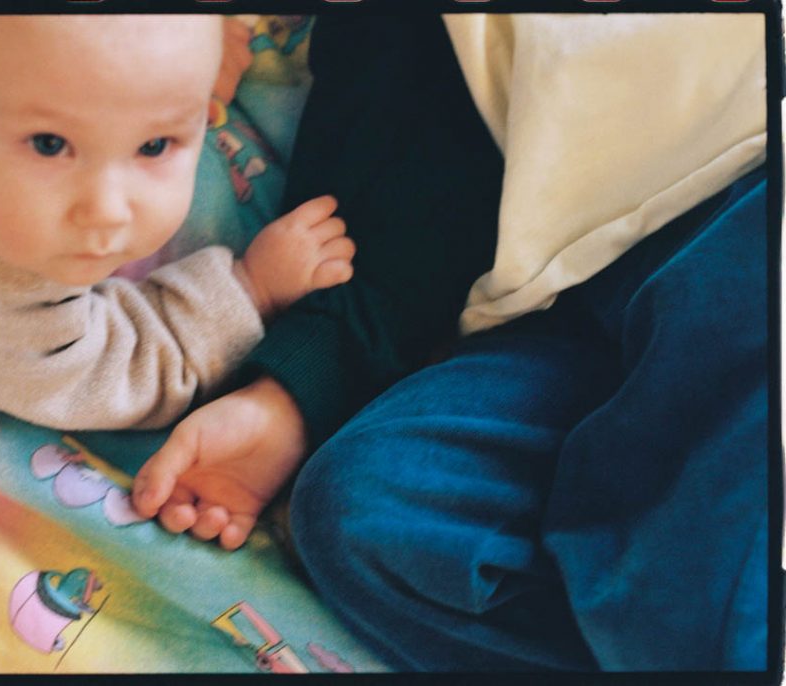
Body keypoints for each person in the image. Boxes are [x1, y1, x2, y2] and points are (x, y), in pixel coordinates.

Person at [132, 13, 770, 670]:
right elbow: (401, 196)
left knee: (701, 581)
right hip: (552, 307)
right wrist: (289, 398)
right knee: (365, 517)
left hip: (740, 206)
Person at [0, 15, 355, 430]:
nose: (107, 210)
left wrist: (190, 51)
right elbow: (113, 374)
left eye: (155, 143)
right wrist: (247, 290)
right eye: (50, 145)